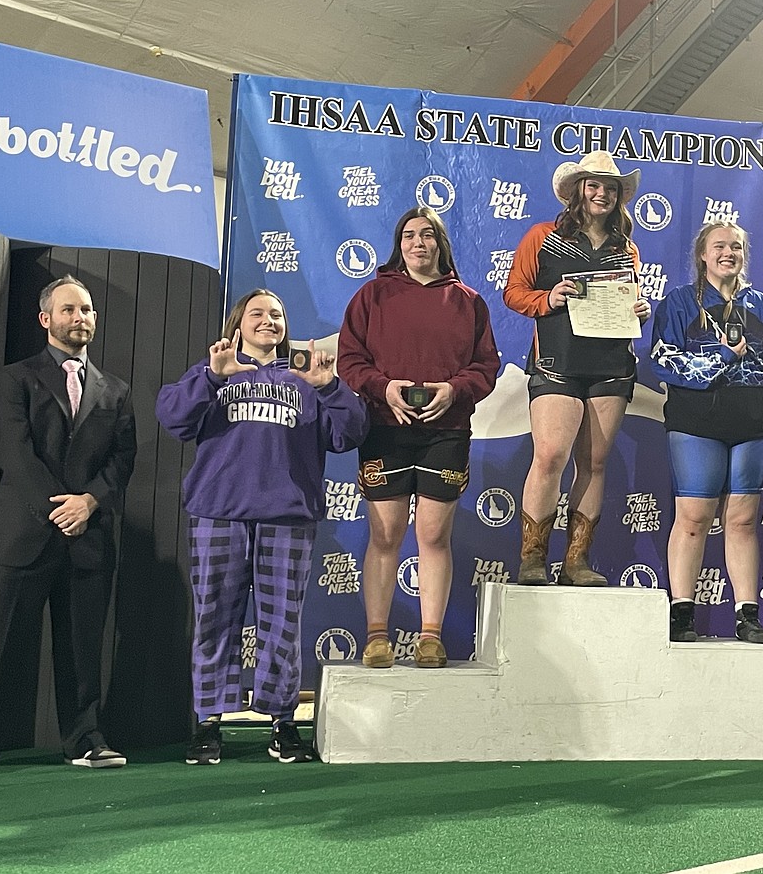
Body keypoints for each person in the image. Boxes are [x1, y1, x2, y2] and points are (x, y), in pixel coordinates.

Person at [157, 288, 368, 765]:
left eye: (277, 313)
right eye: (258, 313)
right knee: (214, 617)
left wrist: (329, 386)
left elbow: (350, 433)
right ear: (238, 324)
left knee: (281, 624)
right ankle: (209, 722)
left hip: (287, 518)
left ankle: (282, 721)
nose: (269, 320)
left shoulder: (305, 377)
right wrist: (213, 378)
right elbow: (172, 417)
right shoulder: (216, 372)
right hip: (219, 512)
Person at [339, 206, 499, 670]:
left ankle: (430, 637)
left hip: (445, 433)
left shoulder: (468, 300)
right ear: (399, 243)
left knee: (433, 535)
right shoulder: (372, 295)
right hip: (384, 429)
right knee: (385, 534)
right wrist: (382, 388)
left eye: (427, 235)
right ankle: (376, 638)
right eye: (409, 235)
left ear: (440, 244)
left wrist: (455, 390)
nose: (418, 242)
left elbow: (486, 366)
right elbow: (351, 360)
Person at [0, 275, 136, 768]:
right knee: (4, 638)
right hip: (25, 536)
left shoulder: (115, 391)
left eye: (88, 310)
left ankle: (84, 739)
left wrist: (90, 503)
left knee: (80, 649)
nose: (81, 318)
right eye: (70, 310)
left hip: (89, 539)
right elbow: (13, 452)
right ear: (45, 319)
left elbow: (122, 461)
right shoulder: (14, 379)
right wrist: (61, 510)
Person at [503, 150, 651, 587]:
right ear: (577, 191)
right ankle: (533, 557)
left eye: (610, 187)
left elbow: (628, 300)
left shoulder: (628, 247)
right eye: (594, 185)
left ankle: (576, 562)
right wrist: (547, 299)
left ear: (620, 195)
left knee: (595, 462)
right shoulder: (542, 235)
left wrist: (638, 311)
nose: (602, 193)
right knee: (549, 456)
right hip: (557, 361)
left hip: (611, 364)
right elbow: (514, 292)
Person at [651, 221, 763, 644]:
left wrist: (746, 373)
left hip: (751, 421)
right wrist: (722, 358)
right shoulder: (678, 302)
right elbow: (664, 361)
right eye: (720, 246)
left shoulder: (761, 304)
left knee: (742, 520)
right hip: (697, 420)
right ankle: (682, 613)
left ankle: (747, 616)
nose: (729, 253)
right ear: (703, 255)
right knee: (693, 518)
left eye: (737, 247)